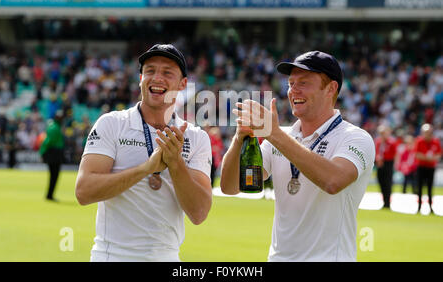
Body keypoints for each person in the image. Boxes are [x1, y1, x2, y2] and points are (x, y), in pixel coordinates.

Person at [220, 50, 375, 262]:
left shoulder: (356, 138)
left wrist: (273, 134)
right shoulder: (281, 135)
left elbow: (333, 181)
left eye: (304, 83)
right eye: (291, 83)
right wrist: (239, 139)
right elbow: (231, 186)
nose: (294, 91)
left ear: (331, 88)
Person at [75, 44, 213, 262]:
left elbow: (199, 213)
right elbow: (84, 192)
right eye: (150, 70)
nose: (157, 78)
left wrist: (175, 163)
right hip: (112, 257)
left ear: (183, 84)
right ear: (141, 78)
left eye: (167, 72)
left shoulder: (196, 137)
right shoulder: (111, 124)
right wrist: (146, 169)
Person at [414, 123, 442, 214]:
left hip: (430, 168)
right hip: (421, 167)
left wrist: (429, 158)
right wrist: (428, 158)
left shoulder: (435, 141)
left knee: (430, 188)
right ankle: (419, 207)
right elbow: (417, 155)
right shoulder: (419, 141)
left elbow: (438, 155)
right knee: (420, 187)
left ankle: (430, 207)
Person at [39, 110, 65, 201]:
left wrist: (42, 152)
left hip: (53, 153)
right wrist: (42, 152)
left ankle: (49, 194)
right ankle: (50, 195)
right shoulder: (55, 127)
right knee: (54, 175)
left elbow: (46, 141)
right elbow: (48, 141)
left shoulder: (53, 126)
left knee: (53, 175)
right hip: (54, 153)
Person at [374, 124, 397, 209]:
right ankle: (384, 201)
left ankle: (387, 202)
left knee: (388, 183)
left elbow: (394, 154)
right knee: (381, 182)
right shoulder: (378, 141)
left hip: (388, 163)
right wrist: (377, 160)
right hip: (379, 163)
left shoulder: (391, 142)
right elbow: (376, 152)